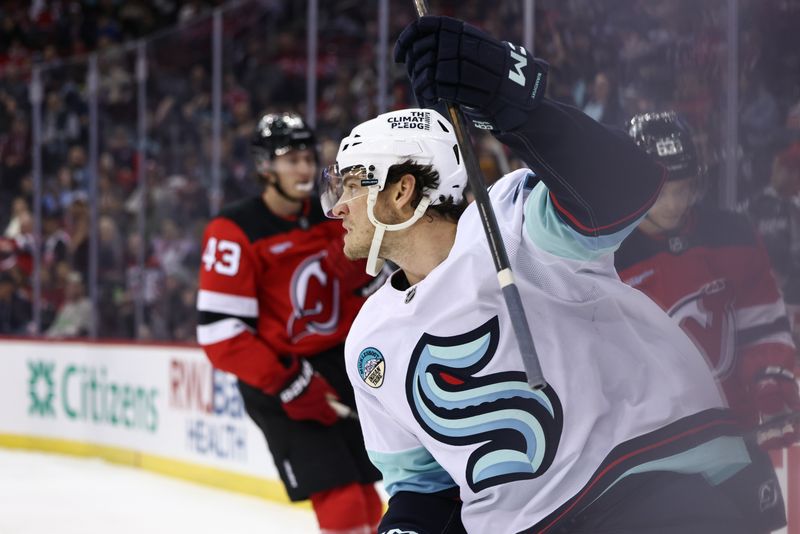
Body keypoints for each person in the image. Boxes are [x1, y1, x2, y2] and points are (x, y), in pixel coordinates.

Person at [318, 16, 787, 534]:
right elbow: (421, 487)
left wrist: (513, 102)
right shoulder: (369, 339)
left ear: (402, 190)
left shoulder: (513, 225)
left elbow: (623, 185)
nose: (338, 206)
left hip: (643, 492)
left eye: (352, 183)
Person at [195, 112, 382, 534]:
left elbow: (360, 285)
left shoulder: (330, 216)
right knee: (341, 494)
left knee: (368, 487)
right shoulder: (234, 230)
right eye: (290, 159)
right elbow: (220, 333)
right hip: (280, 375)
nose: (303, 168)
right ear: (265, 167)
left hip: (337, 365)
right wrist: (289, 381)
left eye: (308, 157)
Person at [615, 112, 800, 451]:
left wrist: (769, 377)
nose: (674, 205)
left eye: (683, 189)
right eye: (661, 194)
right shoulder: (609, 257)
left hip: (736, 430)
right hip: (656, 448)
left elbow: (761, 319)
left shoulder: (732, 233)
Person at [740, 141, 800, 347]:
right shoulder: (756, 206)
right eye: (776, 166)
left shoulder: (793, 207)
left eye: (783, 168)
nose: (775, 173)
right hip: (769, 296)